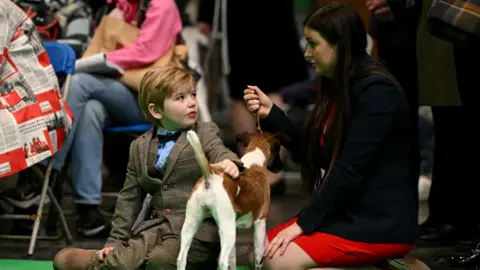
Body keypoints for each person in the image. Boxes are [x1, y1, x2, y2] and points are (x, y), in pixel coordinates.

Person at [243, 3, 419, 269]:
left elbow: (348, 171)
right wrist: (273, 114)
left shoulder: (377, 93)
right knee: (257, 253)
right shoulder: (339, 81)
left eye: (313, 44)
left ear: (340, 44)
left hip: (377, 223)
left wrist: (303, 224)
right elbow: (318, 155)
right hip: (348, 212)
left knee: (274, 260)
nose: (306, 53)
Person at [7, 0, 184, 237]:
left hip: (151, 99)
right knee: (89, 110)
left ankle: (42, 173)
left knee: (79, 83)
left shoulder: (162, 5)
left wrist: (105, 61)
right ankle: (89, 212)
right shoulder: (120, 7)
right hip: (115, 94)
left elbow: (147, 51)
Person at [53, 66, 243, 270]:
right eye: (180, 98)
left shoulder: (205, 132)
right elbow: (129, 199)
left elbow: (219, 150)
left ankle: (96, 264)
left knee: (159, 262)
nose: (191, 103)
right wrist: (115, 242)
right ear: (156, 110)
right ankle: (108, 261)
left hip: (195, 230)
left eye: (193, 95)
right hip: (156, 228)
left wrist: (230, 162)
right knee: (122, 261)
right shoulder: (140, 146)